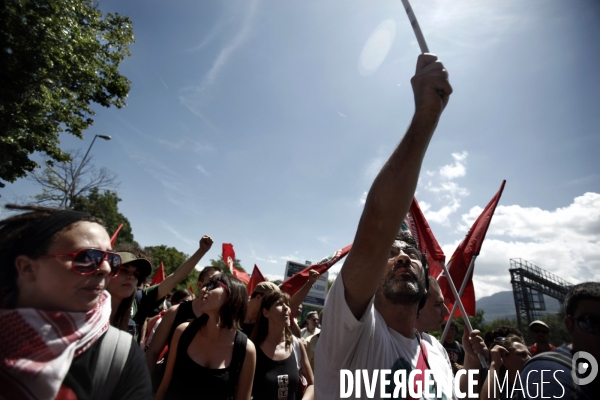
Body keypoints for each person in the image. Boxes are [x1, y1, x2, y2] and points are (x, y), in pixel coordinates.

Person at [315, 54, 487, 399]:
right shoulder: (354, 335)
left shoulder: (435, 353)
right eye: (389, 255)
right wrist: (425, 118)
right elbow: (377, 227)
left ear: (427, 281)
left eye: (411, 254)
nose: (402, 258)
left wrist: (474, 362)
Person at [0, 204, 152, 399]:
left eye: (111, 260)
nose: (105, 269)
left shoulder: (120, 355)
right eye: (88, 257)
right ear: (27, 268)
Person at [155, 273, 256, 400]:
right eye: (206, 284)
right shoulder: (183, 331)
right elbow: (165, 386)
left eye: (213, 285)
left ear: (232, 296)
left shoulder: (246, 350)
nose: (203, 289)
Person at [108, 235, 213, 338]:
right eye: (124, 270)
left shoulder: (141, 300)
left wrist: (201, 251)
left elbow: (175, 278)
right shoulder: (91, 302)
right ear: (106, 271)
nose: (131, 276)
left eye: (136, 274)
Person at [516, 282, 600, 400]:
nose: (540, 334)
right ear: (569, 325)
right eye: (593, 323)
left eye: (543, 331)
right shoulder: (550, 376)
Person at [146, 266, 221, 390]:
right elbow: (153, 353)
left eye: (219, 284)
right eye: (211, 282)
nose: (214, 288)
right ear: (200, 285)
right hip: (167, 387)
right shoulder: (175, 312)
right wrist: (144, 387)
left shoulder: (221, 320)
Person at [251, 291, 314, 400]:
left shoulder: (296, 344)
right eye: (279, 304)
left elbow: (312, 384)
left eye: (287, 304)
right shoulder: (253, 349)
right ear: (266, 313)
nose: (286, 308)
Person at [480, 335, 530, 400]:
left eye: (530, 355)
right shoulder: (500, 392)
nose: (530, 359)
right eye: (522, 355)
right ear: (502, 357)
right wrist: (495, 364)